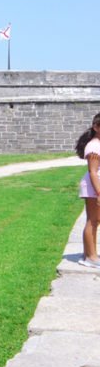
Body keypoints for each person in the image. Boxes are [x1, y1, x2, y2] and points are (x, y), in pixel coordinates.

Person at [74, 113, 100, 269]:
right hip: (93, 187)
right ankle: (90, 257)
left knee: (96, 221)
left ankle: (91, 254)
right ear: (96, 127)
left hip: (96, 187)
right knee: (93, 221)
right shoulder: (94, 146)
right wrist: (99, 193)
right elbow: (92, 172)